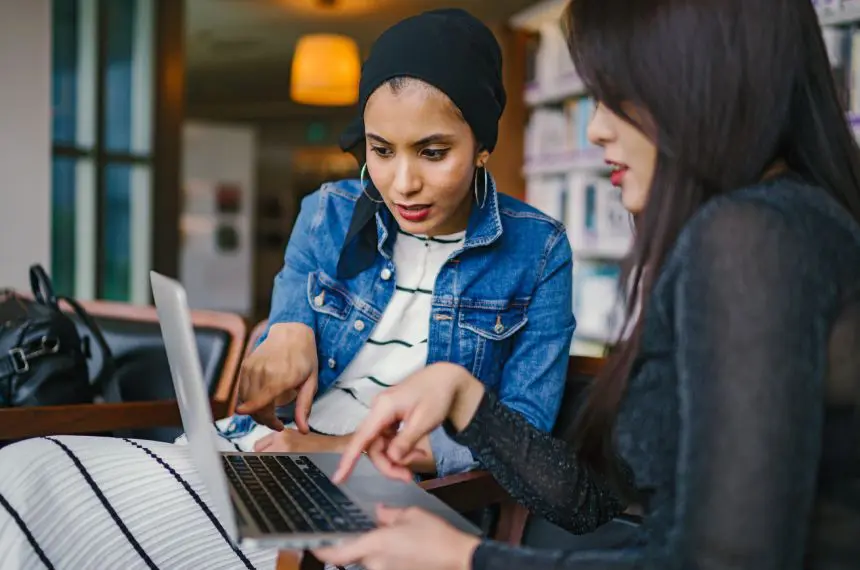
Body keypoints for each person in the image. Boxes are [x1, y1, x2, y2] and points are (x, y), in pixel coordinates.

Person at [0, 9, 576, 570]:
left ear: (482, 144)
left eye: (433, 152)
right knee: (24, 471)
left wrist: (342, 452)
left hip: (391, 498)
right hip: (262, 455)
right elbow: (286, 329)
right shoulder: (328, 211)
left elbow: (517, 441)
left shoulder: (539, 251)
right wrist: (285, 331)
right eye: (380, 150)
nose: (403, 182)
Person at [305, 0, 860, 569]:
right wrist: (464, 397)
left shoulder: (751, 238)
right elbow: (592, 505)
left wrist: (465, 560)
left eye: (615, 95)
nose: (595, 129)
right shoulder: (785, 225)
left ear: (699, 79)